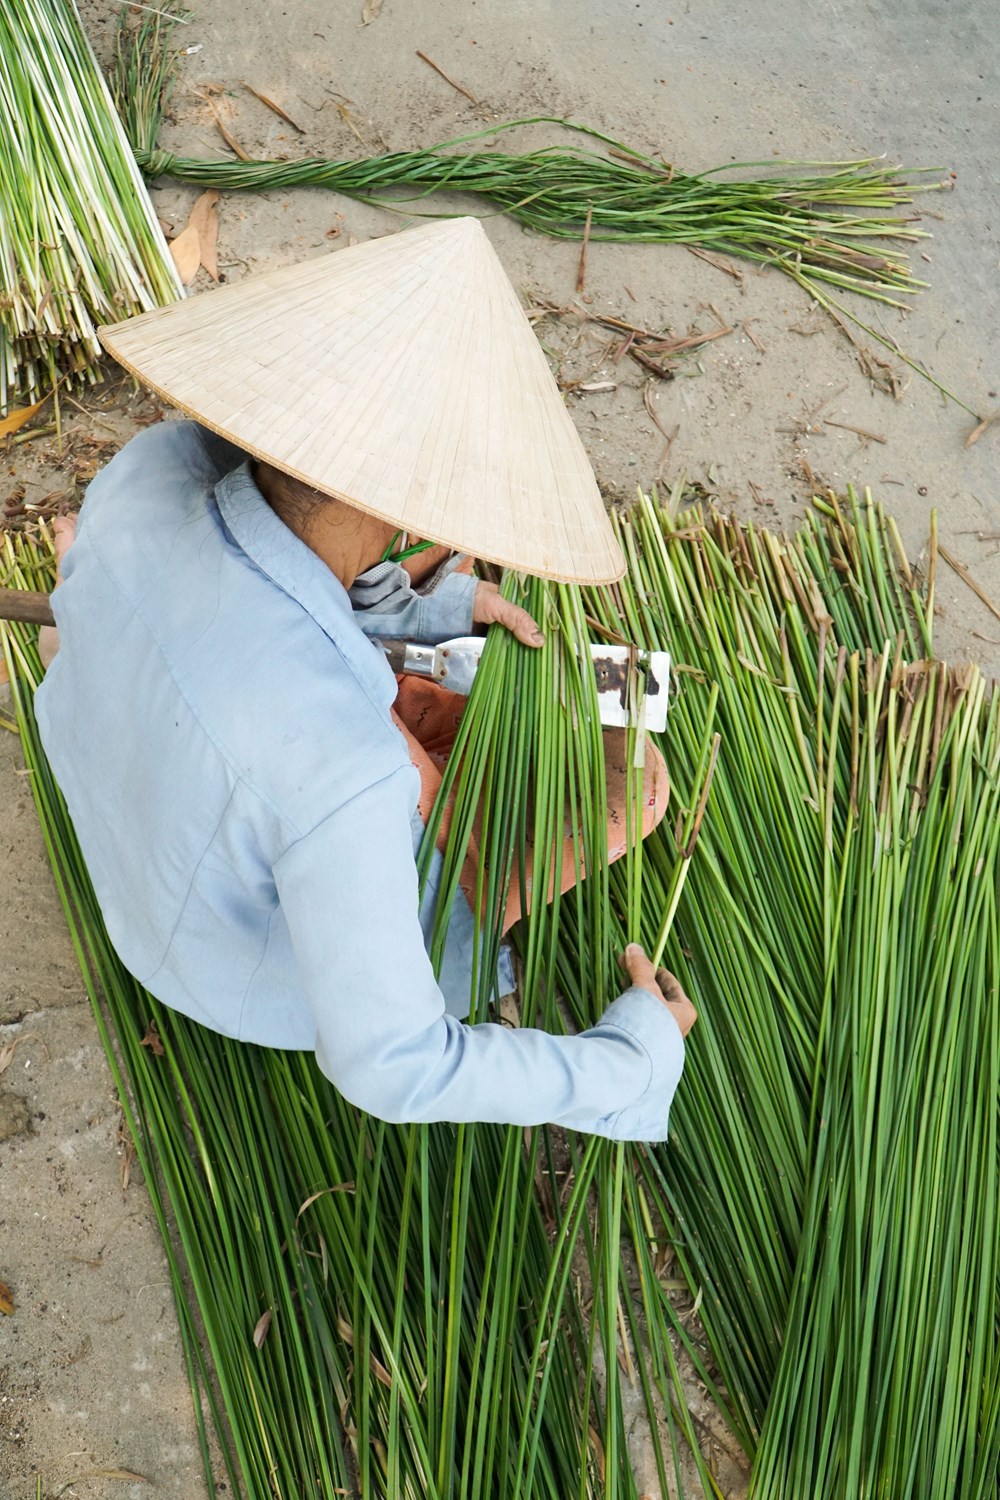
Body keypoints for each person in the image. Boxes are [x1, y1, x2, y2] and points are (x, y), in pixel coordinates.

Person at [36, 217, 696, 1140]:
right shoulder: (347, 771)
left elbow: (271, 563)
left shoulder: (147, 467)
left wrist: (429, 608)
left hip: (117, 802)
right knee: (639, 783)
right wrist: (630, 1058)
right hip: (216, 965)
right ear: (399, 495)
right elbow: (397, 1068)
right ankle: (485, 903)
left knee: (420, 725)